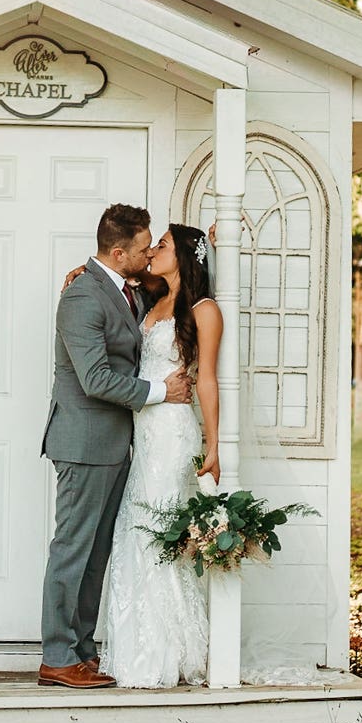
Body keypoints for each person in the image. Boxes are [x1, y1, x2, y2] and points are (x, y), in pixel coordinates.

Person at [37, 204, 191, 690]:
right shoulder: (83, 295)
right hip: (83, 442)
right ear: (119, 251)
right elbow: (97, 379)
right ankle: (57, 656)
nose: (149, 257)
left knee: (96, 552)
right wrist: (164, 392)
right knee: (73, 549)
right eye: (143, 249)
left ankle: (82, 652)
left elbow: (179, 281)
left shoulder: (124, 289)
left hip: (118, 444)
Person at [98, 222, 223, 687]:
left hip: (172, 436)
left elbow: (205, 379)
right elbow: (116, 274)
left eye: (162, 245)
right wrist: (81, 271)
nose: (152, 252)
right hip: (142, 434)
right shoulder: (153, 299)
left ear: (185, 256)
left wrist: (212, 444)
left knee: (160, 537)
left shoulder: (205, 310)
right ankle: (136, 649)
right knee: (135, 532)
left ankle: (168, 654)